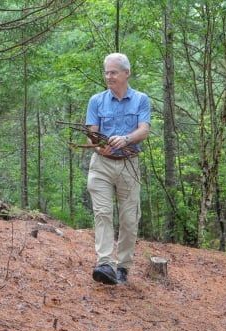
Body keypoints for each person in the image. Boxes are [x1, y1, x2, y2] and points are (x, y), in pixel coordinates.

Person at [85, 53, 151, 285]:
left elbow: (144, 129)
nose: (109, 76)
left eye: (113, 72)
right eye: (106, 72)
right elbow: (92, 132)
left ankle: (123, 267)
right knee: (102, 213)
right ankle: (105, 263)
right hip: (101, 165)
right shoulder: (96, 101)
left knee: (129, 219)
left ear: (126, 73)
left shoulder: (141, 100)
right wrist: (99, 145)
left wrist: (126, 139)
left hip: (129, 164)